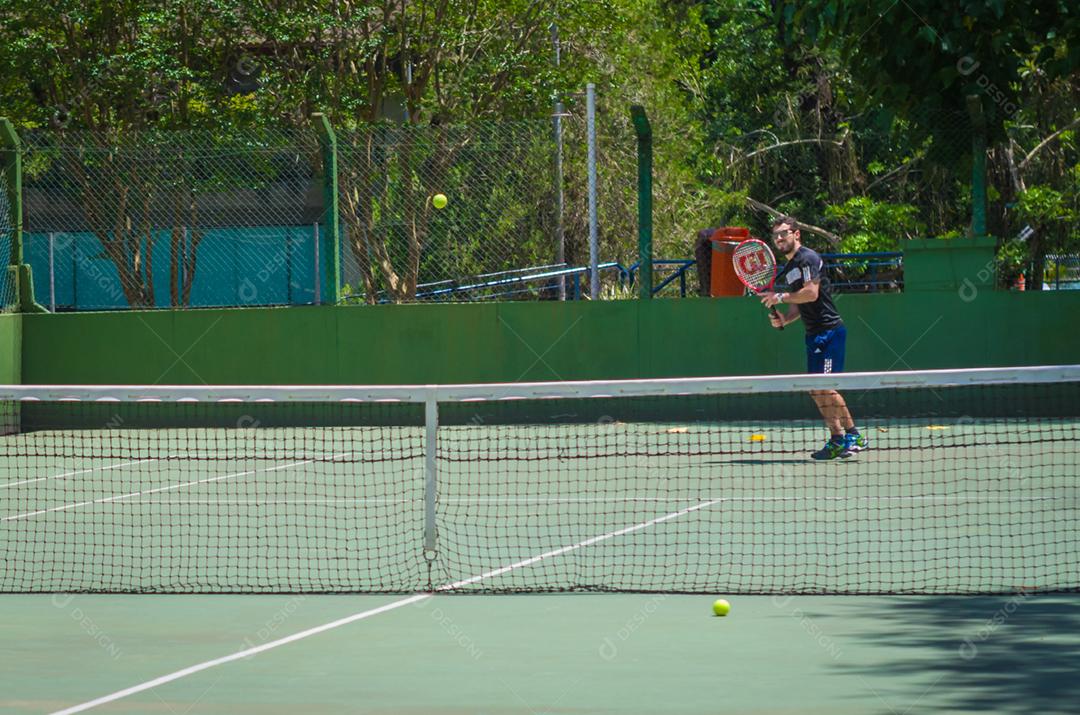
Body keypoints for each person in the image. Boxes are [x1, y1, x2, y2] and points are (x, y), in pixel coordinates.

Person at [760, 216, 868, 460]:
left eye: (784, 233)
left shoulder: (808, 258)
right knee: (815, 389)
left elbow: (810, 293)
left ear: (796, 234)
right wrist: (785, 319)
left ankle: (853, 436)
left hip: (831, 332)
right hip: (813, 334)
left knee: (825, 387)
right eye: (775, 235)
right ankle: (838, 439)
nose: (779, 239)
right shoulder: (788, 271)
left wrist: (779, 298)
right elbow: (799, 306)